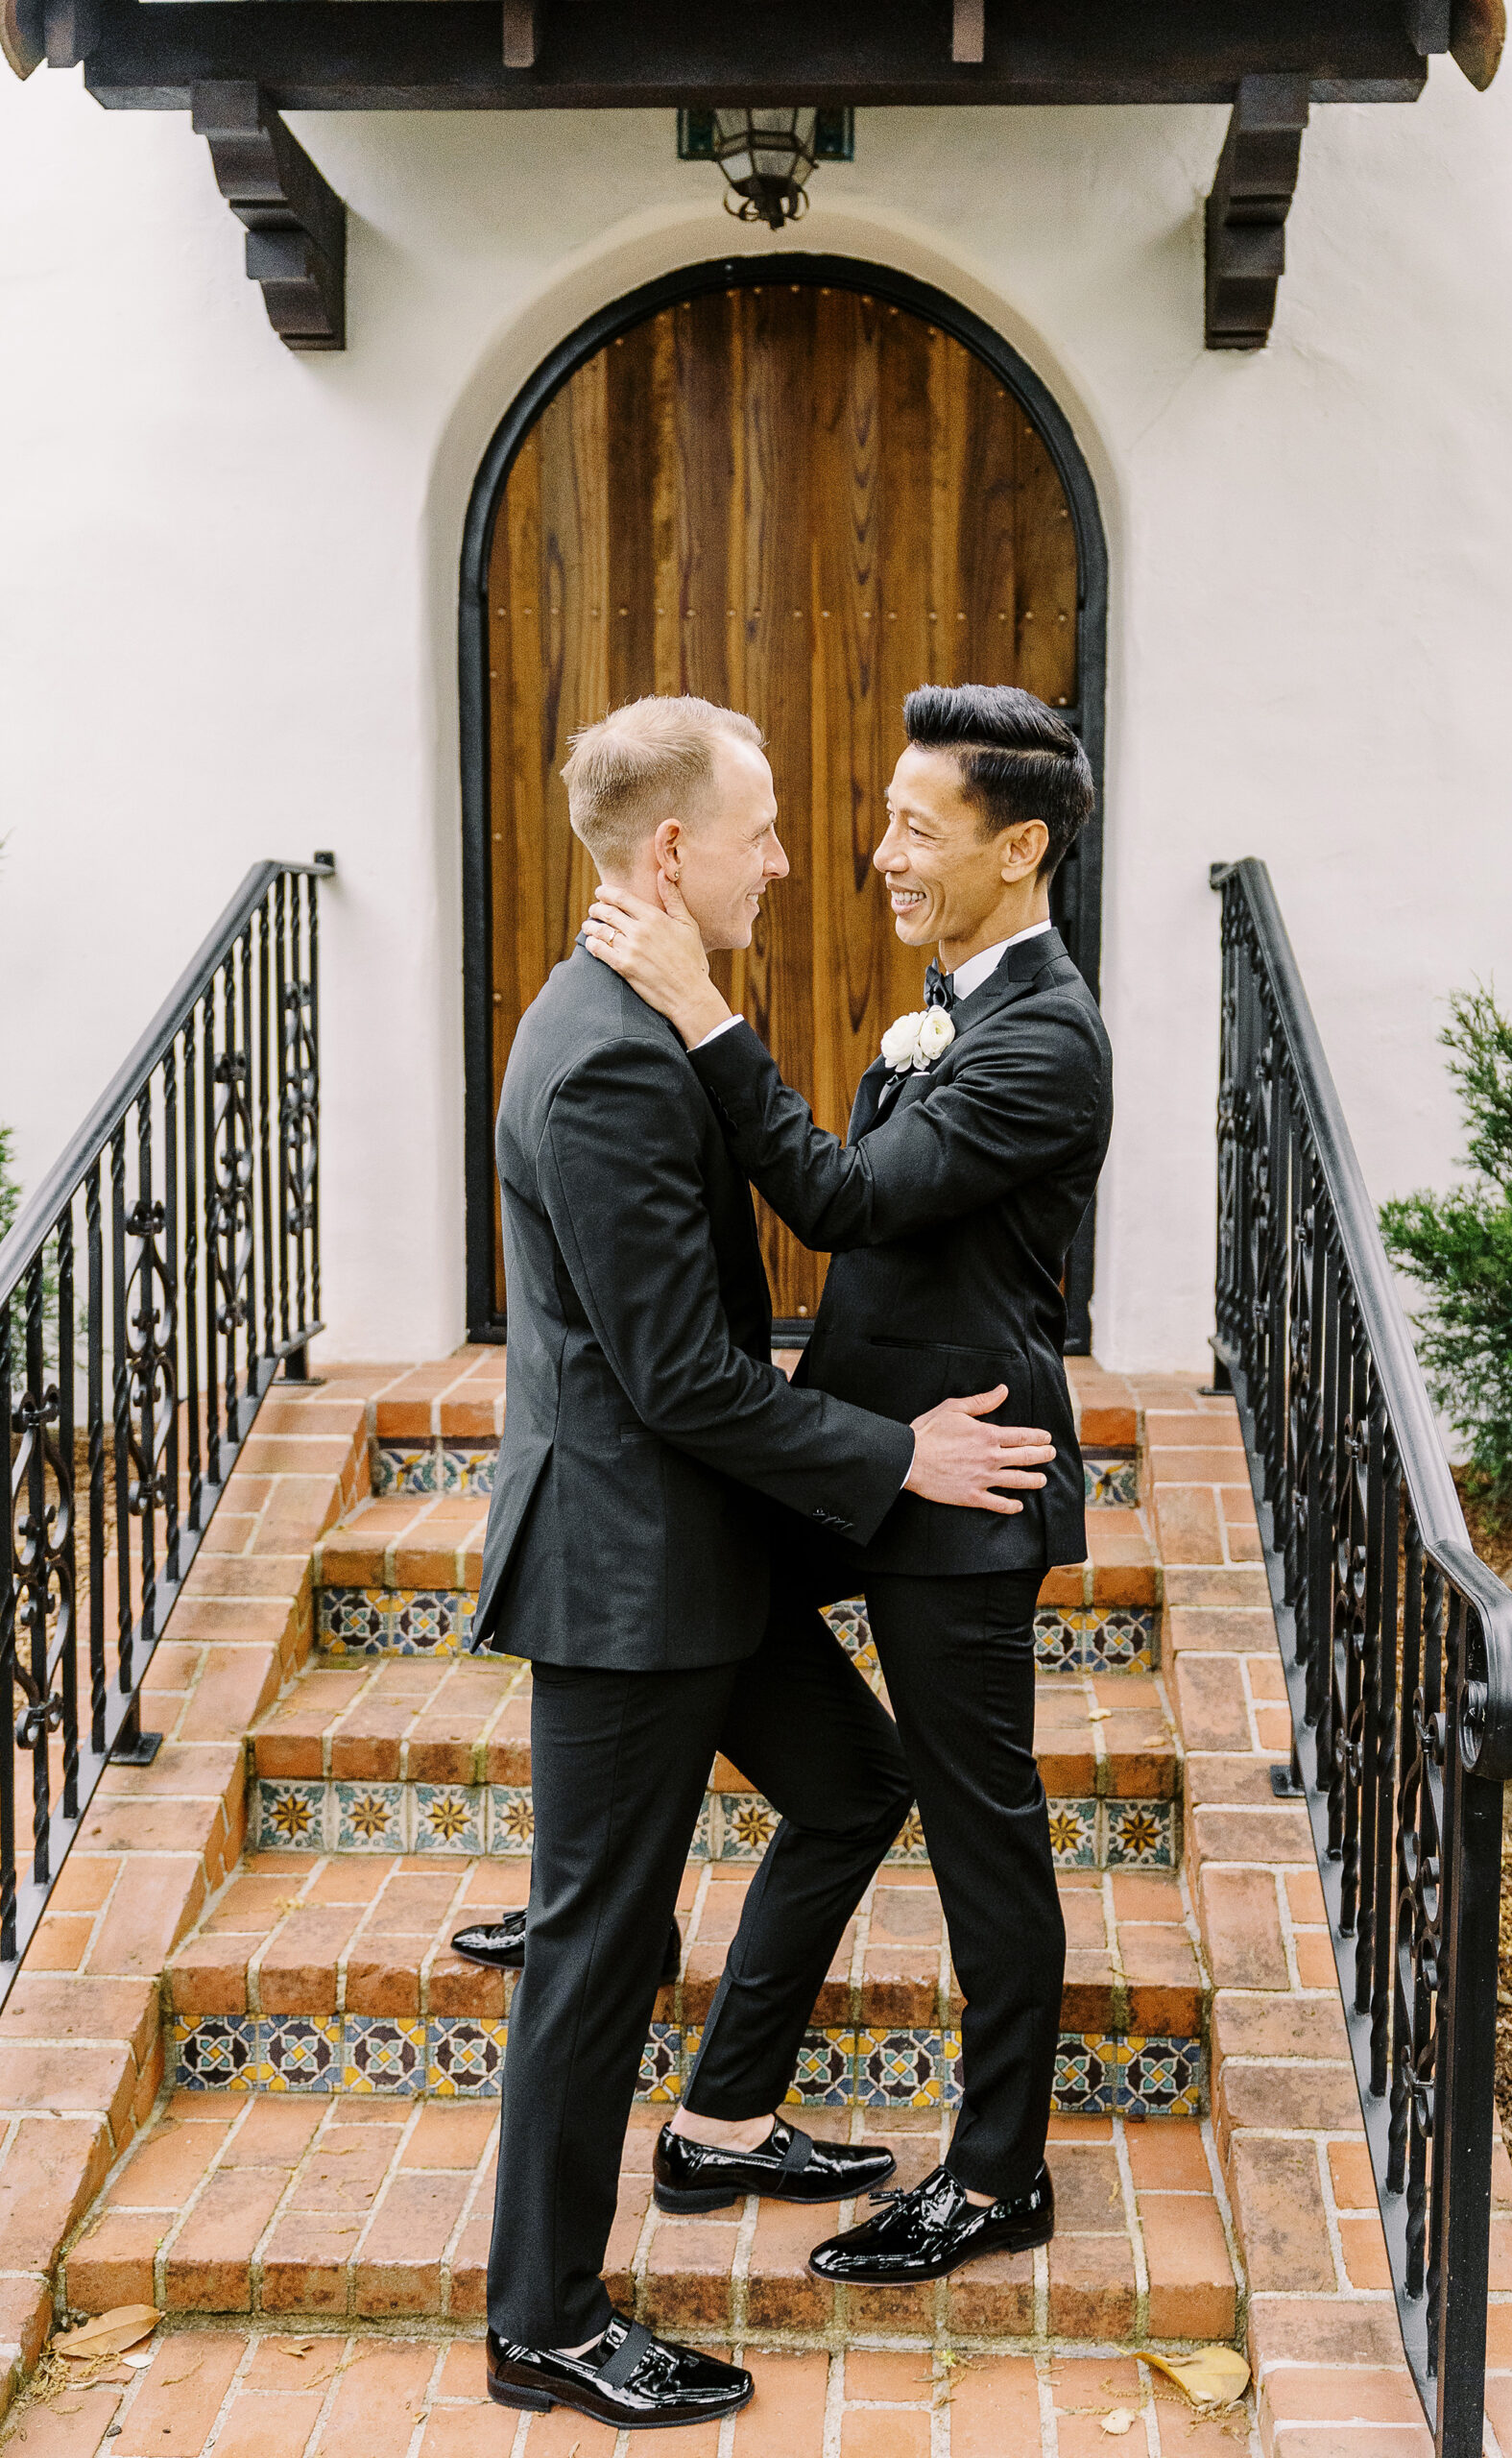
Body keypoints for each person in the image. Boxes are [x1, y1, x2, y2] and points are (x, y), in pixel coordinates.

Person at [474, 694, 1057, 2433]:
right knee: (599, 1939)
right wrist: (900, 1456)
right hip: (628, 1579)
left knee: (850, 1781)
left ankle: (721, 2124)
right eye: (766, 830)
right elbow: (674, 1378)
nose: (790, 861)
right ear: (672, 853)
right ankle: (548, 2322)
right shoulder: (600, 1062)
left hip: (703, 1559)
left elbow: (810, 1199)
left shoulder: (653, 1029)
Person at [586, 681, 1113, 2290]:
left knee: (981, 1834)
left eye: (915, 827)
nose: (877, 852)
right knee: (716, 1647)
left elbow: (837, 1202)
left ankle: (999, 2173)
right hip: (856, 1461)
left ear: (1017, 849)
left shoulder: (1046, 1042)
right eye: (882, 815)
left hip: (960, 1486)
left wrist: (701, 1009)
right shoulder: (948, 999)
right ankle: (686, 2067)